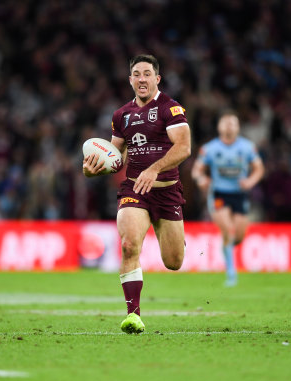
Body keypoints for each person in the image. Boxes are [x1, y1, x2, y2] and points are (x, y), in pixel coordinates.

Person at [83, 54, 191, 334]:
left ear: (157, 79)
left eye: (147, 74)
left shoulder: (171, 108)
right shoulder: (121, 115)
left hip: (167, 192)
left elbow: (183, 148)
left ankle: (176, 237)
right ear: (130, 80)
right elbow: (115, 157)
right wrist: (93, 170)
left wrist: (154, 169)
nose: (142, 79)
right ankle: (134, 315)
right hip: (135, 191)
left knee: (174, 261)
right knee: (129, 245)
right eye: (136, 74)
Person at [191, 113, 264, 286]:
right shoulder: (210, 148)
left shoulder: (247, 147)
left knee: (238, 236)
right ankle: (231, 272)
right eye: (226, 123)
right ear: (220, 127)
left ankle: (227, 248)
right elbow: (196, 170)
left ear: (238, 127)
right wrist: (201, 179)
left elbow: (259, 169)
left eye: (233, 123)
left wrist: (250, 181)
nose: (230, 126)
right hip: (219, 194)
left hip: (239, 194)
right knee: (228, 230)